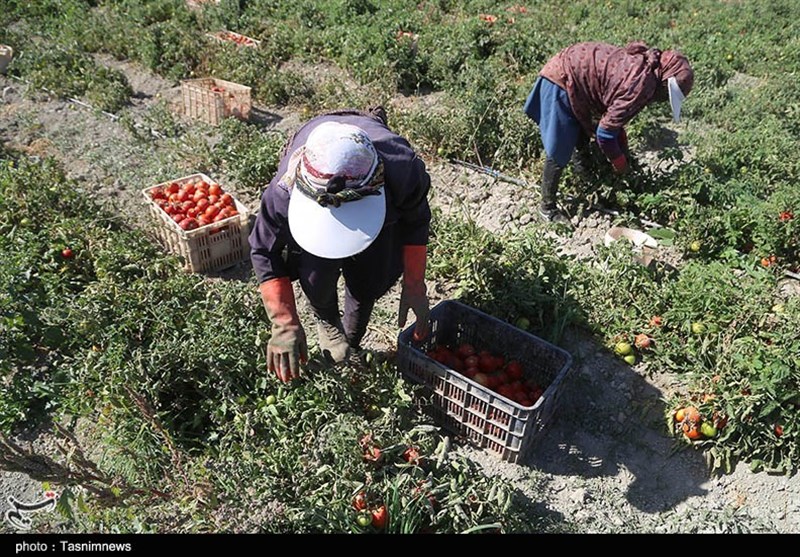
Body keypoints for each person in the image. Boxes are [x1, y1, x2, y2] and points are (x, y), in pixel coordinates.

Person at [250, 108, 432, 383]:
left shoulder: (401, 169)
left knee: (372, 277)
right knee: (315, 272)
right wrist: (283, 321)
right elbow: (264, 250)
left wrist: (415, 284)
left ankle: (353, 338)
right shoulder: (283, 192)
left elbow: (416, 221)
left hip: (382, 214)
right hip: (317, 199)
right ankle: (329, 323)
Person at [523, 41, 694, 223]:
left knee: (579, 136)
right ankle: (547, 208)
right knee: (560, 146)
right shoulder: (642, 85)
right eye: (667, 94)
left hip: (573, 73)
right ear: (665, 83)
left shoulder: (646, 66)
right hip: (562, 79)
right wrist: (620, 163)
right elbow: (604, 134)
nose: (663, 100)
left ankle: (586, 183)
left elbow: (614, 117)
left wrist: (622, 145)